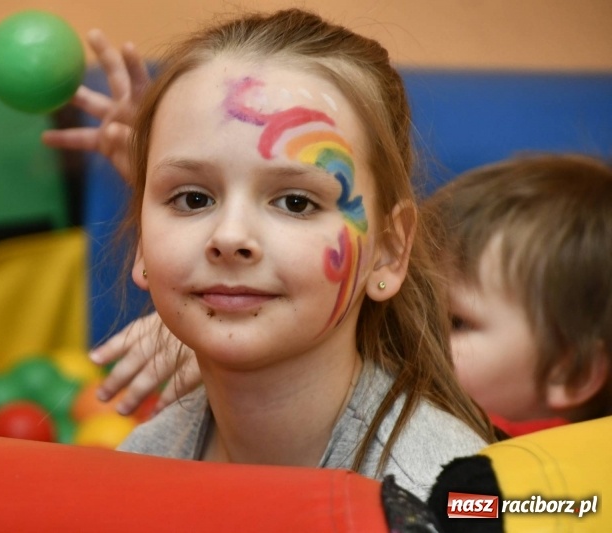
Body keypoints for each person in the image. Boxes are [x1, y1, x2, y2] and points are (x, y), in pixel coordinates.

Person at [46, 8, 494, 499]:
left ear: (388, 251)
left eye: (296, 202)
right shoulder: (143, 465)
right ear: (141, 242)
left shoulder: (439, 496)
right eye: (192, 199)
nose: (230, 236)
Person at [424, 154, 612, 436]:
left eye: (456, 322)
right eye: (414, 302)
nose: (412, 329)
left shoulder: (479, 456)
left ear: (572, 373)